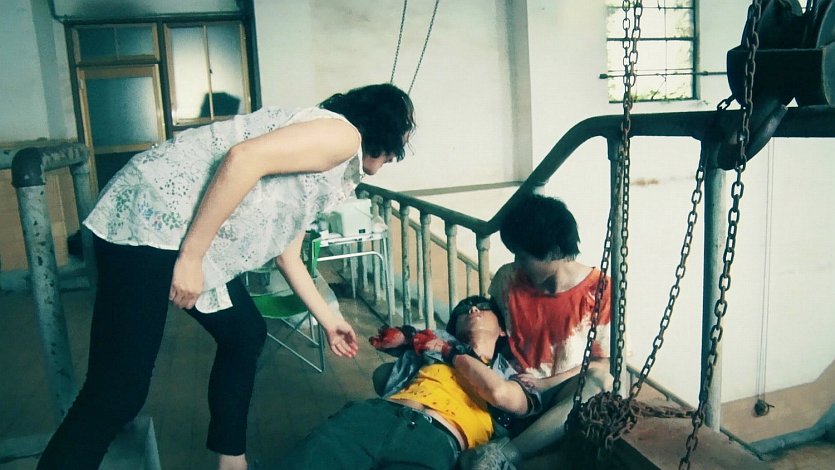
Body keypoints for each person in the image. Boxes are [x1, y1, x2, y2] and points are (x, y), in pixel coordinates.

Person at [37, 83, 416, 470]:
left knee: (244, 333)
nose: (401, 147)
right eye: (404, 134)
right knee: (117, 393)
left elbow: (287, 254)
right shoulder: (342, 136)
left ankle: (231, 459)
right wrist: (191, 257)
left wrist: (329, 320)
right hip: (152, 218)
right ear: (384, 127)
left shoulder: (333, 163)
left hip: (179, 232)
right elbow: (243, 158)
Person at [277, 295, 543, 470]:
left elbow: (501, 395)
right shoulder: (435, 349)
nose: (473, 309)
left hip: (436, 441)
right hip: (377, 415)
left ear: (503, 330)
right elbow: (412, 336)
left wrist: (450, 352)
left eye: (483, 307)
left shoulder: (511, 375)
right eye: (464, 310)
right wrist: (404, 336)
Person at [460, 194, 614, 470]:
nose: (517, 263)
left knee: (601, 381)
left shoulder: (600, 290)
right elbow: (493, 331)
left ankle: (505, 455)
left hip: (564, 392)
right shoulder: (508, 279)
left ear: (554, 252)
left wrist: (547, 384)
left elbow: (601, 364)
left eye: (523, 256)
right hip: (514, 389)